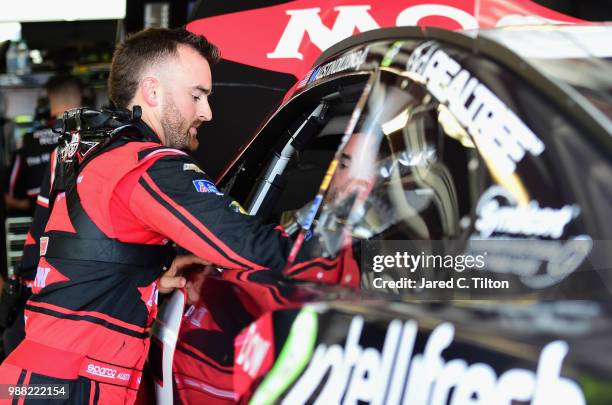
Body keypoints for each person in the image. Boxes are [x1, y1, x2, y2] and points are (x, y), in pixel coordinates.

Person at [0, 27, 290, 404]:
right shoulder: (148, 165)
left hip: (29, 376)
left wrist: (150, 274)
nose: (207, 112)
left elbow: (54, 260)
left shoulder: (77, 151)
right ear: (152, 91)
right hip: (76, 386)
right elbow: (255, 249)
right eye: (197, 95)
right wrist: (380, 262)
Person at [4, 75, 83, 215]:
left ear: (49, 99)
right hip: (88, 226)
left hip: (43, 228)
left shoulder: (28, 142)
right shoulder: (97, 139)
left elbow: (11, 198)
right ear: (81, 98)